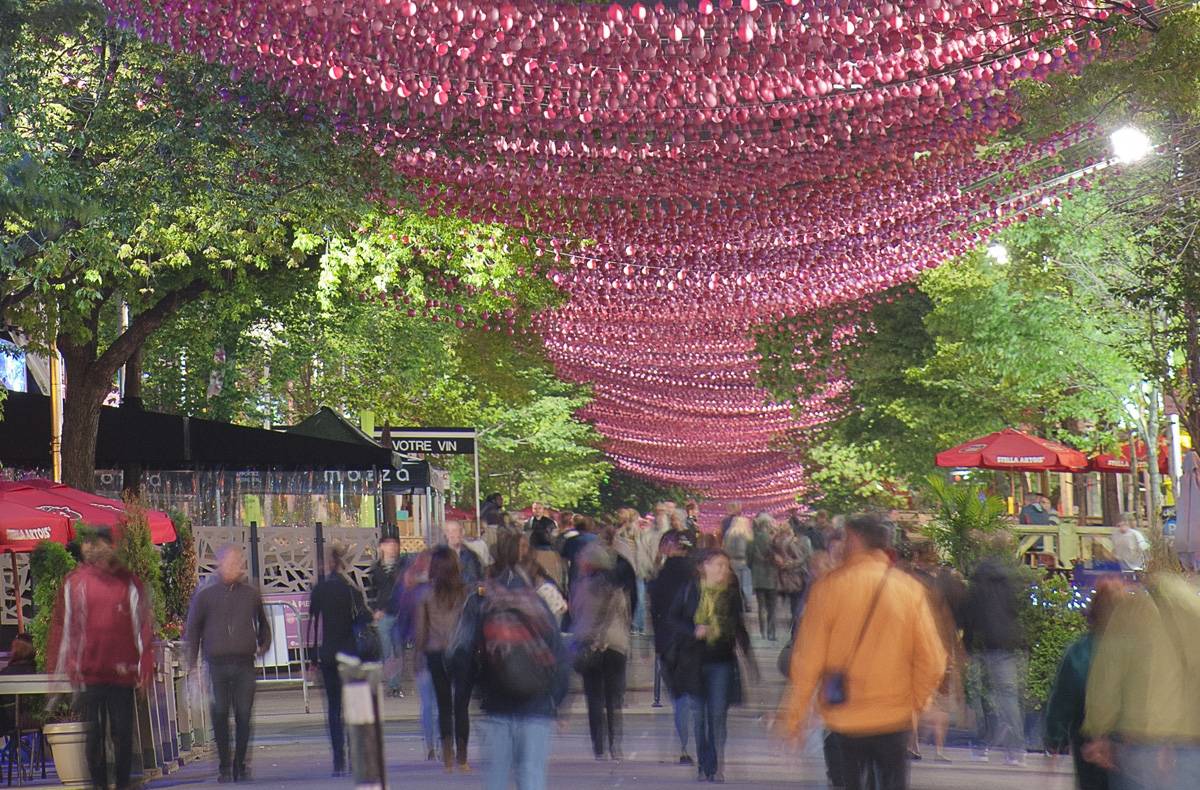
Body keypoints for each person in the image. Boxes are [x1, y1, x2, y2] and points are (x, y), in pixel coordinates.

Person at [778, 515, 946, 790]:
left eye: (845, 537)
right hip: (895, 714)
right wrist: (918, 703)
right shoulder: (909, 590)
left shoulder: (829, 589)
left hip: (846, 715)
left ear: (855, 539)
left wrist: (795, 717)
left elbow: (808, 660)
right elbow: (933, 659)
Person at [448, 530, 569, 790]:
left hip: (497, 704)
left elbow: (461, 652)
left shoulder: (483, 603)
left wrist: (475, 689)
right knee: (532, 776)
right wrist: (556, 700)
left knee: (497, 778)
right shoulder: (537, 604)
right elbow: (559, 656)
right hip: (536, 705)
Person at [48, 527, 154, 790]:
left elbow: (142, 626)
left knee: (118, 733)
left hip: (118, 673)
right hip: (92, 671)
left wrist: (145, 665)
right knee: (99, 734)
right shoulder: (75, 582)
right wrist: (61, 669)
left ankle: (117, 782)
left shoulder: (126, 582)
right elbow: (64, 626)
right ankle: (102, 784)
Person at [1082, 573, 1200, 790]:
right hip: (1192, 746)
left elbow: (1107, 677)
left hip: (1138, 743)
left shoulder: (1130, 611)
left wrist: (1099, 731)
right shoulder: (1196, 611)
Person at [667, 548, 756, 783]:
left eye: (725, 566)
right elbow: (673, 618)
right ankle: (703, 764)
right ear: (703, 566)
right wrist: (693, 630)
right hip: (694, 661)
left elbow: (738, 624)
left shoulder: (731, 593)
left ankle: (717, 765)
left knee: (717, 715)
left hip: (722, 661)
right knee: (700, 717)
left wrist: (749, 657)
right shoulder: (690, 590)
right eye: (717, 565)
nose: (723, 570)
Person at [184, 545, 272, 783]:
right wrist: (193, 666)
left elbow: (263, 624)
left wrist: (262, 645)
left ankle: (241, 763)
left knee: (244, 714)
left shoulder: (251, 593)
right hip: (217, 664)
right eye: (231, 562)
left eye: (239, 563)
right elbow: (193, 631)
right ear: (220, 564)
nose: (235, 567)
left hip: (244, 663)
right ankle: (224, 764)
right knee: (220, 714)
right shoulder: (205, 595)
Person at [1045, 580, 1123, 790]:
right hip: (1129, 739)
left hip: (1087, 738)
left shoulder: (1079, 651)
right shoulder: (1138, 649)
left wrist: (1054, 738)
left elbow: (1063, 698)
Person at [962, 544, 1027, 765]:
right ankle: (1016, 750)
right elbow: (1016, 609)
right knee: (1009, 696)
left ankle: (984, 745)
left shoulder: (977, 587)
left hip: (986, 644)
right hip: (1011, 642)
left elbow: (969, 618)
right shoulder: (1007, 583)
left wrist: (967, 646)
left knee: (983, 696)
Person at [307, 545, 369, 776]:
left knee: (333, 709)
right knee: (352, 707)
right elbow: (364, 618)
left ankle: (338, 760)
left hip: (329, 655)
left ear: (326, 564)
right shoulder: (350, 589)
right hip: (350, 653)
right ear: (342, 564)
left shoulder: (320, 590)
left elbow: (312, 624)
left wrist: (312, 657)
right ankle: (354, 757)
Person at [571, 543, 632, 761]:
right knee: (613, 699)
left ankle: (599, 746)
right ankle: (616, 743)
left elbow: (575, 612)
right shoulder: (617, 588)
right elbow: (626, 617)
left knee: (594, 698)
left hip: (589, 644)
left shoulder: (581, 586)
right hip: (615, 644)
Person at [907, 541, 966, 762]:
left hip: (915, 644)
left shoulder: (909, 580)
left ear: (916, 556)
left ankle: (914, 744)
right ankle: (939, 749)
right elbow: (955, 612)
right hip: (940, 645)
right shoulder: (946, 580)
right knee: (940, 697)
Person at [417, 546, 471, 773]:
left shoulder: (426, 594)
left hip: (435, 651)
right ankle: (463, 757)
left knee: (443, 704)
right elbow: (471, 624)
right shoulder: (465, 592)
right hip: (461, 652)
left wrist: (417, 655)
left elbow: (421, 629)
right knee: (462, 706)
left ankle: (447, 756)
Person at [649, 530, 696, 766]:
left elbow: (654, 611)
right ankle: (696, 744)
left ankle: (683, 746)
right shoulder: (698, 575)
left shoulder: (660, 577)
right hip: (694, 640)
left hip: (667, 640)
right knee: (694, 695)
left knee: (678, 696)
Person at [393, 551, 439, 762]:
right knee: (441, 700)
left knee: (427, 702)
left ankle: (431, 743)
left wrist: (398, 653)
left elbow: (401, 624)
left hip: (420, 651)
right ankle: (442, 741)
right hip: (441, 649)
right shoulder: (439, 588)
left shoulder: (409, 590)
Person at [368, 536, 406, 697]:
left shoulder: (403, 566)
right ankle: (393, 684)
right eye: (388, 545)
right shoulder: (376, 569)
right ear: (381, 547)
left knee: (398, 649)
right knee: (387, 650)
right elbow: (372, 591)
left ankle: (396, 684)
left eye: (394, 545)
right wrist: (375, 610)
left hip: (400, 612)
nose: (392, 548)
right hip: (384, 614)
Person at [748, 513, 781, 641]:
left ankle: (762, 633)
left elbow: (748, 560)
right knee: (772, 607)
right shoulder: (774, 541)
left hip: (758, 577)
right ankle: (771, 633)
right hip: (771, 575)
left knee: (761, 606)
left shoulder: (752, 542)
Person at [773, 522, 811, 632]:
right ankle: (796, 630)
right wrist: (792, 563)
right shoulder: (791, 542)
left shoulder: (776, 542)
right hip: (797, 576)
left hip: (785, 577)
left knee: (794, 605)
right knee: (798, 605)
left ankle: (794, 630)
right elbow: (802, 558)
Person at [721, 516, 753, 611]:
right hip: (745, 561)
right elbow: (750, 550)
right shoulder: (748, 534)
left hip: (733, 561)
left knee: (736, 583)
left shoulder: (729, 533)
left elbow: (724, 547)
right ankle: (748, 603)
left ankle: (737, 604)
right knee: (747, 584)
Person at [444, 520, 484, 586]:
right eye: (448, 531)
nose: (451, 534)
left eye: (454, 531)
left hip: (465, 593)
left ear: (462, 533)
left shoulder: (470, 556)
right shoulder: (439, 555)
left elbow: (474, 579)